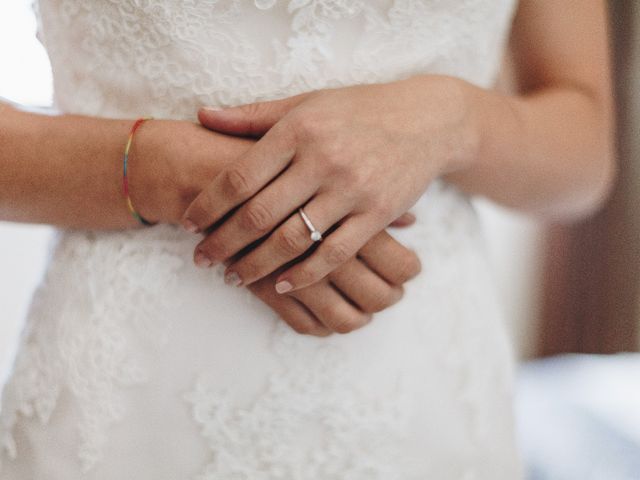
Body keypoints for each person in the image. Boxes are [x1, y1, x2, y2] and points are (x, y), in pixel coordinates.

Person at [0, 1, 614, 479]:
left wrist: (450, 120)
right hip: (123, 413)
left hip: (422, 405)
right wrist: (176, 174)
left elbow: (584, 155)